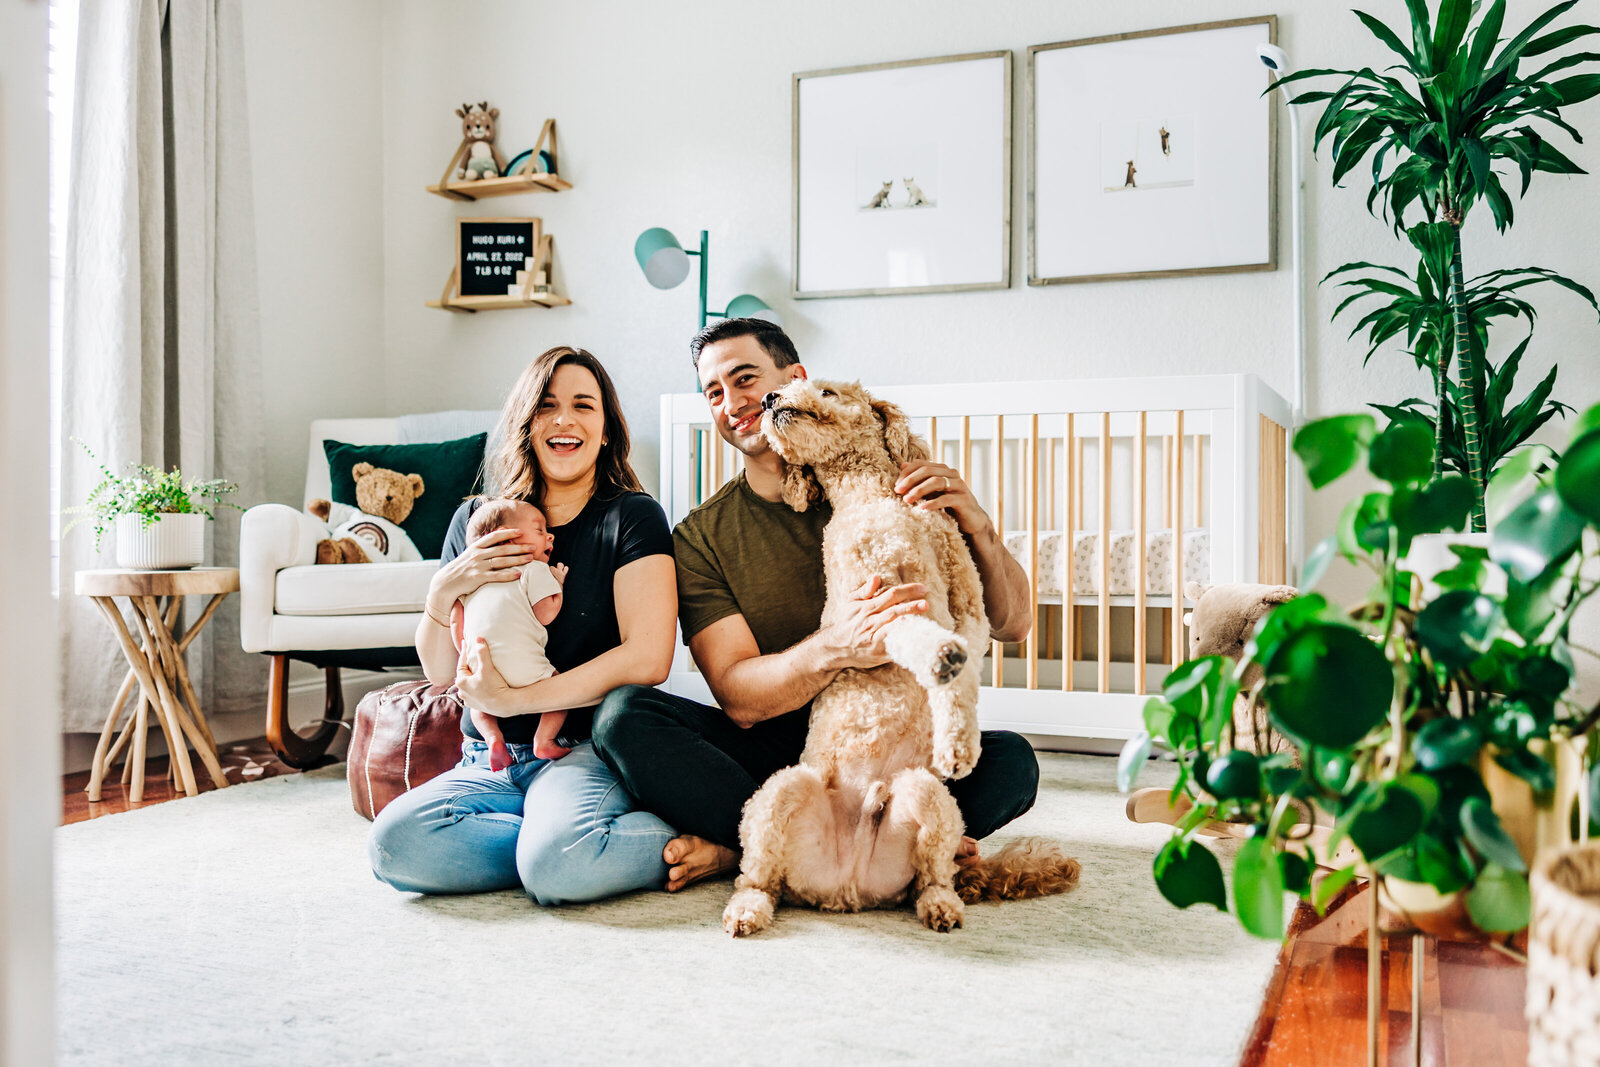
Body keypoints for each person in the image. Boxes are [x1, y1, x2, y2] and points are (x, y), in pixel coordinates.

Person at [591, 319, 1042, 892]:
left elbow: (1014, 623)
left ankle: (760, 852)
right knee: (624, 715)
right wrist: (835, 648)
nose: (732, 403)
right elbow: (739, 698)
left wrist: (979, 527)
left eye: (745, 378)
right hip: (774, 754)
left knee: (1012, 762)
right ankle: (781, 844)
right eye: (713, 393)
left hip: (895, 743)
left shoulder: (893, 485)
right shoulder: (701, 536)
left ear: (796, 379)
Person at [369, 346, 679, 906]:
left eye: (584, 406)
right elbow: (441, 673)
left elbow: (648, 658)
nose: (564, 420)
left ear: (605, 429)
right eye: (547, 406)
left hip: (581, 749)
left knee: (556, 866)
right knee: (394, 844)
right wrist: (442, 592)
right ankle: (558, 843)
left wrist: (518, 698)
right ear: (525, 423)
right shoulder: (476, 521)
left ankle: (681, 838)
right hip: (488, 759)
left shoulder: (632, 516)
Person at [452, 498, 570, 767]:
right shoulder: (533, 569)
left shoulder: (472, 582)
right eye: (540, 530)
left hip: (479, 667)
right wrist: (558, 584)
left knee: (479, 705)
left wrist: (466, 654)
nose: (550, 535)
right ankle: (544, 740)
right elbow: (546, 614)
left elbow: (456, 622)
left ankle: (494, 740)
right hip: (524, 668)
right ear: (507, 541)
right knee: (559, 690)